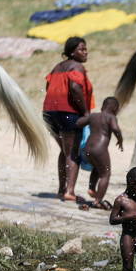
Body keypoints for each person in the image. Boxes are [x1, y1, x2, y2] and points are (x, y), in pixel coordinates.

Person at [43, 37, 94, 203]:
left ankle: (61, 189)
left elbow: (47, 87)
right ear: (72, 52)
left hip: (49, 113)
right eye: (81, 49)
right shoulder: (77, 66)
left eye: (85, 49)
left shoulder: (57, 67)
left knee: (64, 151)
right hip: (68, 113)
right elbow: (74, 87)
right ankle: (69, 191)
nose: (85, 52)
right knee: (72, 153)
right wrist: (86, 112)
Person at [76, 96, 123, 210]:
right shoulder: (111, 117)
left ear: (103, 106)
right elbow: (115, 129)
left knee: (97, 168)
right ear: (114, 108)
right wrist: (120, 140)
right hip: (100, 149)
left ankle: (92, 188)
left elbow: (79, 123)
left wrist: (87, 118)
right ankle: (97, 201)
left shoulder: (94, 116)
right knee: (105, 174)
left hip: (87, 148)